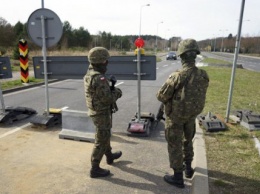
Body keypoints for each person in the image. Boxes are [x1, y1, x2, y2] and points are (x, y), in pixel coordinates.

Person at [156, 39, 209, 188]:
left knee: (175, 144)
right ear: (195, 55)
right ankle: (188, 168)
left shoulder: (178, 76)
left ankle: (178, 176)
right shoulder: (203, 75)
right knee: (188, 141)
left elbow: (161, 96)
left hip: (176, 118)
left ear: (182, 56)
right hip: (191, 116)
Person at [84, 47, 123, 178]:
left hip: (97, 111)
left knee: (105, 134)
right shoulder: (98, 78)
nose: (107, 62)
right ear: (101, 61)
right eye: (106, 60)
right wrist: (117, 92)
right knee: (101, 139)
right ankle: (95, 168)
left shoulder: (90, 73)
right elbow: (108, 99)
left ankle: (109, 156)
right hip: (101, 113)